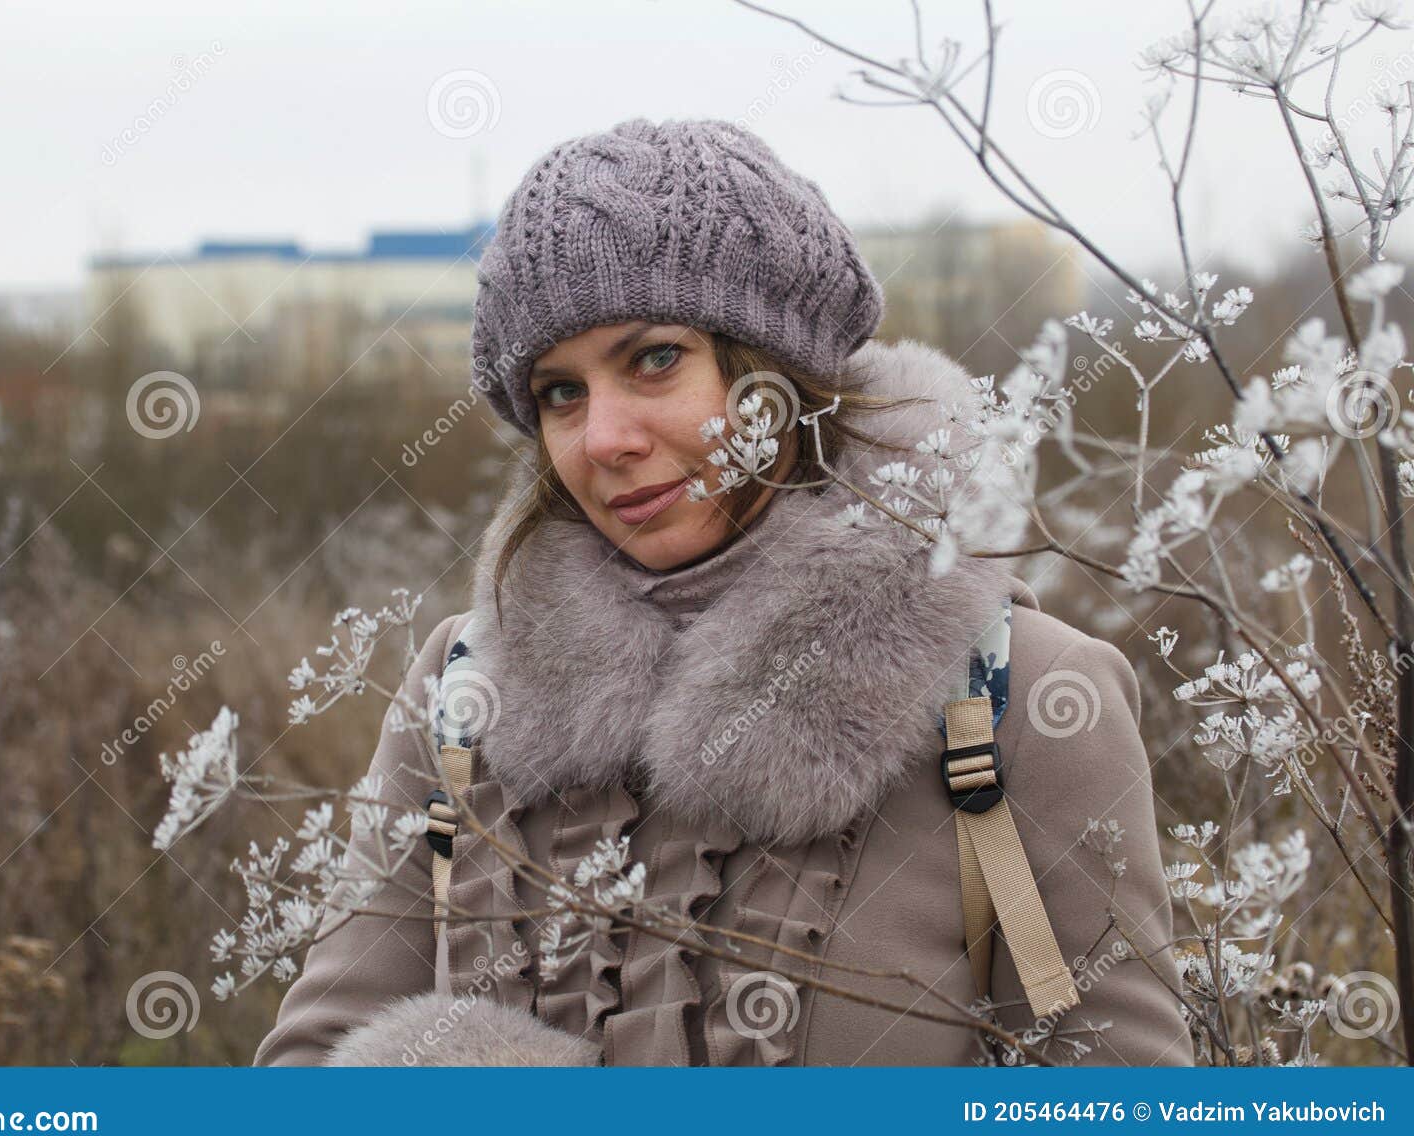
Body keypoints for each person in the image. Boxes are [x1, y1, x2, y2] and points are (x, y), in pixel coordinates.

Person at [254, 117, 1194, 1066]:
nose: (603, 438)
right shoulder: (464, 686)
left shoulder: (1024, 696)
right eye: (559, 392)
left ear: (777, 374)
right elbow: (309, 1066)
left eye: (654, 358)